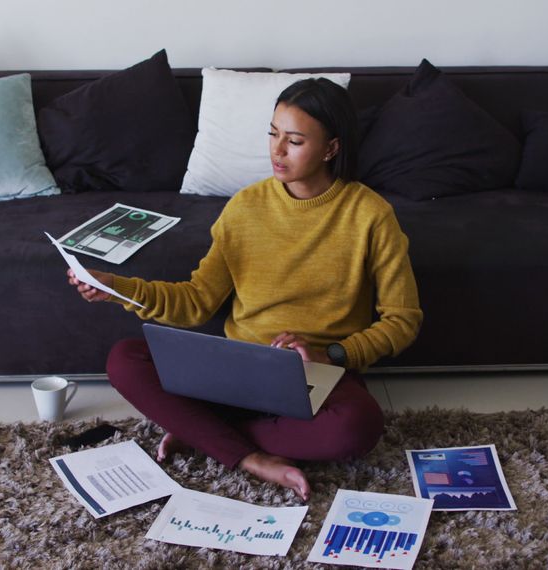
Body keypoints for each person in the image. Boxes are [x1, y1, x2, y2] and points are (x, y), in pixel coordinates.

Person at [67, 78, 422, 501]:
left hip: (318, 375)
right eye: (273, 134)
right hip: (239, 371)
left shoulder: (371, 215)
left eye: (294, 141)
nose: (277, 151)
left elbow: (403, 319)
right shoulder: (245, 207)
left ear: (330, 148)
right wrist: (118, 288)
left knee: (357, 426)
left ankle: (203, 433)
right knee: (125, 359)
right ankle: (250, 456)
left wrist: (331, 354)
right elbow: (197, 301)